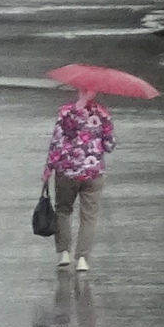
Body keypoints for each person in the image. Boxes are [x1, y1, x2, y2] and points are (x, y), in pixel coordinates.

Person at [44, 90, 115, 273]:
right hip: (93, 172)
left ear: (79, 91)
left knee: (63, 210)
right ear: (94, 92)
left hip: (67, 172)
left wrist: (48, 169)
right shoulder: (102, 113)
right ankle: (82, 258)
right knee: (89, 217)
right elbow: (109, 145)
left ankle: (64, 253)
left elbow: (56, 142)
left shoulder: (66, 111)